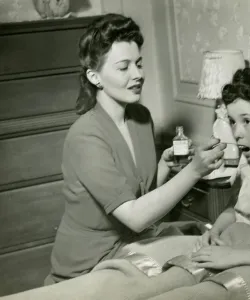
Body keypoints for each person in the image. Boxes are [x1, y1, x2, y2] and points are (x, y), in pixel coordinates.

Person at [45, 13, 225, 284]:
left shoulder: (140, 117)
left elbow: (141, 195)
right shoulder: (84, 136)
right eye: (123, 67)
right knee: (196, 259)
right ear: (95, 77)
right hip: (89, 263)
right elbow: (135, 216)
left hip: (131, 245)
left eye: (139, 64)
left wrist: (164, 166)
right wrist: (194, 171)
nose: (138, 75)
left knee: (206, 247)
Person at [151, 66, 250, 300]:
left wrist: (234, 256)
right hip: (233, 241)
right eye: (232, 121)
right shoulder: (249, 160)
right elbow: (234, 208)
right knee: (166, 281)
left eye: (247, 121)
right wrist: (215, 230)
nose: (237, 132)